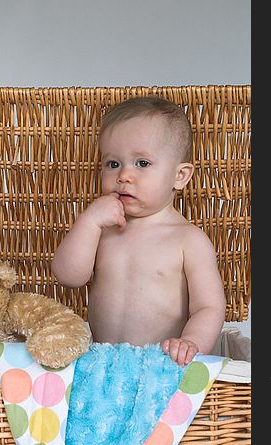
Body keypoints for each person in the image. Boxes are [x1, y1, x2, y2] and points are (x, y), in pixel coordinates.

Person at [51, 96, 226, 367]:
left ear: (180, 177)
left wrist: (191, 343)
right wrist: (89, 221)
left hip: (161, 365)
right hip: (103, 364)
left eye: (142, 163)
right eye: (113, 164)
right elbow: (68, 277)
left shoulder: (188, 240)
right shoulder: (103, 231)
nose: (124, 175)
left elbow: (209, 307)